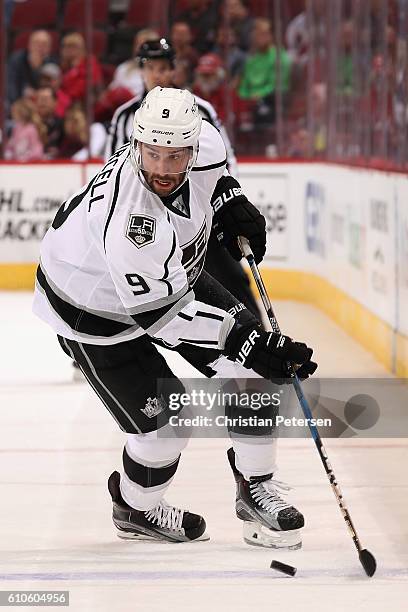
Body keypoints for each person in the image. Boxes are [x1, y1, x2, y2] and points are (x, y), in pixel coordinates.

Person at [33, 86, 317, 544]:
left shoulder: (204, 140)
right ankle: (135, 508)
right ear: (137, 143)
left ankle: (256, 487)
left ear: (192, 144)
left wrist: (230, 201)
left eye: (175, 156)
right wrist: (245, 340)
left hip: (172, 276)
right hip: (93, 310)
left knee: (251, 377)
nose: (162, 168)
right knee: (169, 428)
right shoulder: (131, 224)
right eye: (152, 154)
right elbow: (162, 316)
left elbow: (218, 176)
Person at [105, 39, 259, 320]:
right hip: (145, 220)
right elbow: (111, 169)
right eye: (151, 68)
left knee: (232, 278)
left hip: (196, 216)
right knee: (123, 284)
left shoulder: (201, 111)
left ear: (174, 70)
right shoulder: (125, 116)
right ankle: (104, 346)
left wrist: (225, 202)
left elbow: (225, 161)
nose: (157, 75)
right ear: (141, 71)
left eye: (164, 68)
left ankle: (260, 341)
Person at [7, 30, 53, 105]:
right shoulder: (17, 60)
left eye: (44, 44)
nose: (40, 47)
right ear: (29, 45)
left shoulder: (52, 62)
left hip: (42, 103)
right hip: (19, 101)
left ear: (49, 48)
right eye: (36, 43)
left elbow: (53, 89)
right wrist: (23, 92)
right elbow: (11, 86)